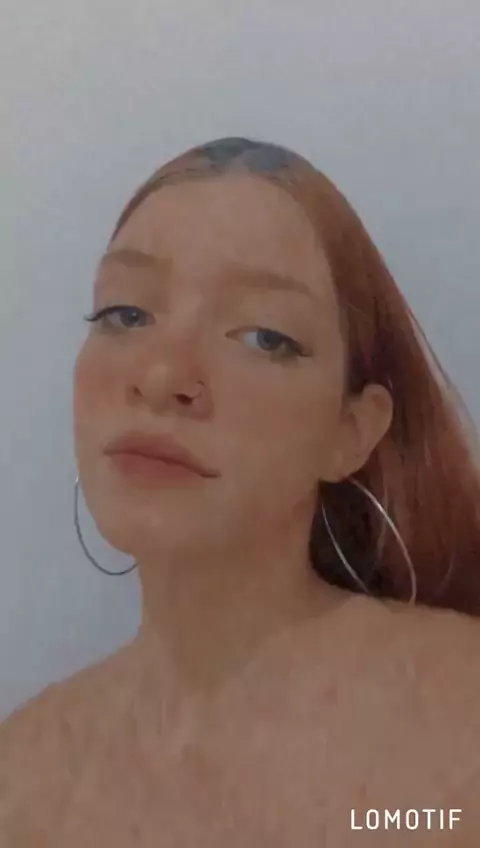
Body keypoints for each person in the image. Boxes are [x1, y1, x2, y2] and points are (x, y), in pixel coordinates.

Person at [1, 136, 480, 846]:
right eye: (125, 314)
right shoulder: (21, 779)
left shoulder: (461, 730)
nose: (161, 376)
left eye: (264, 336)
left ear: (351, 431)